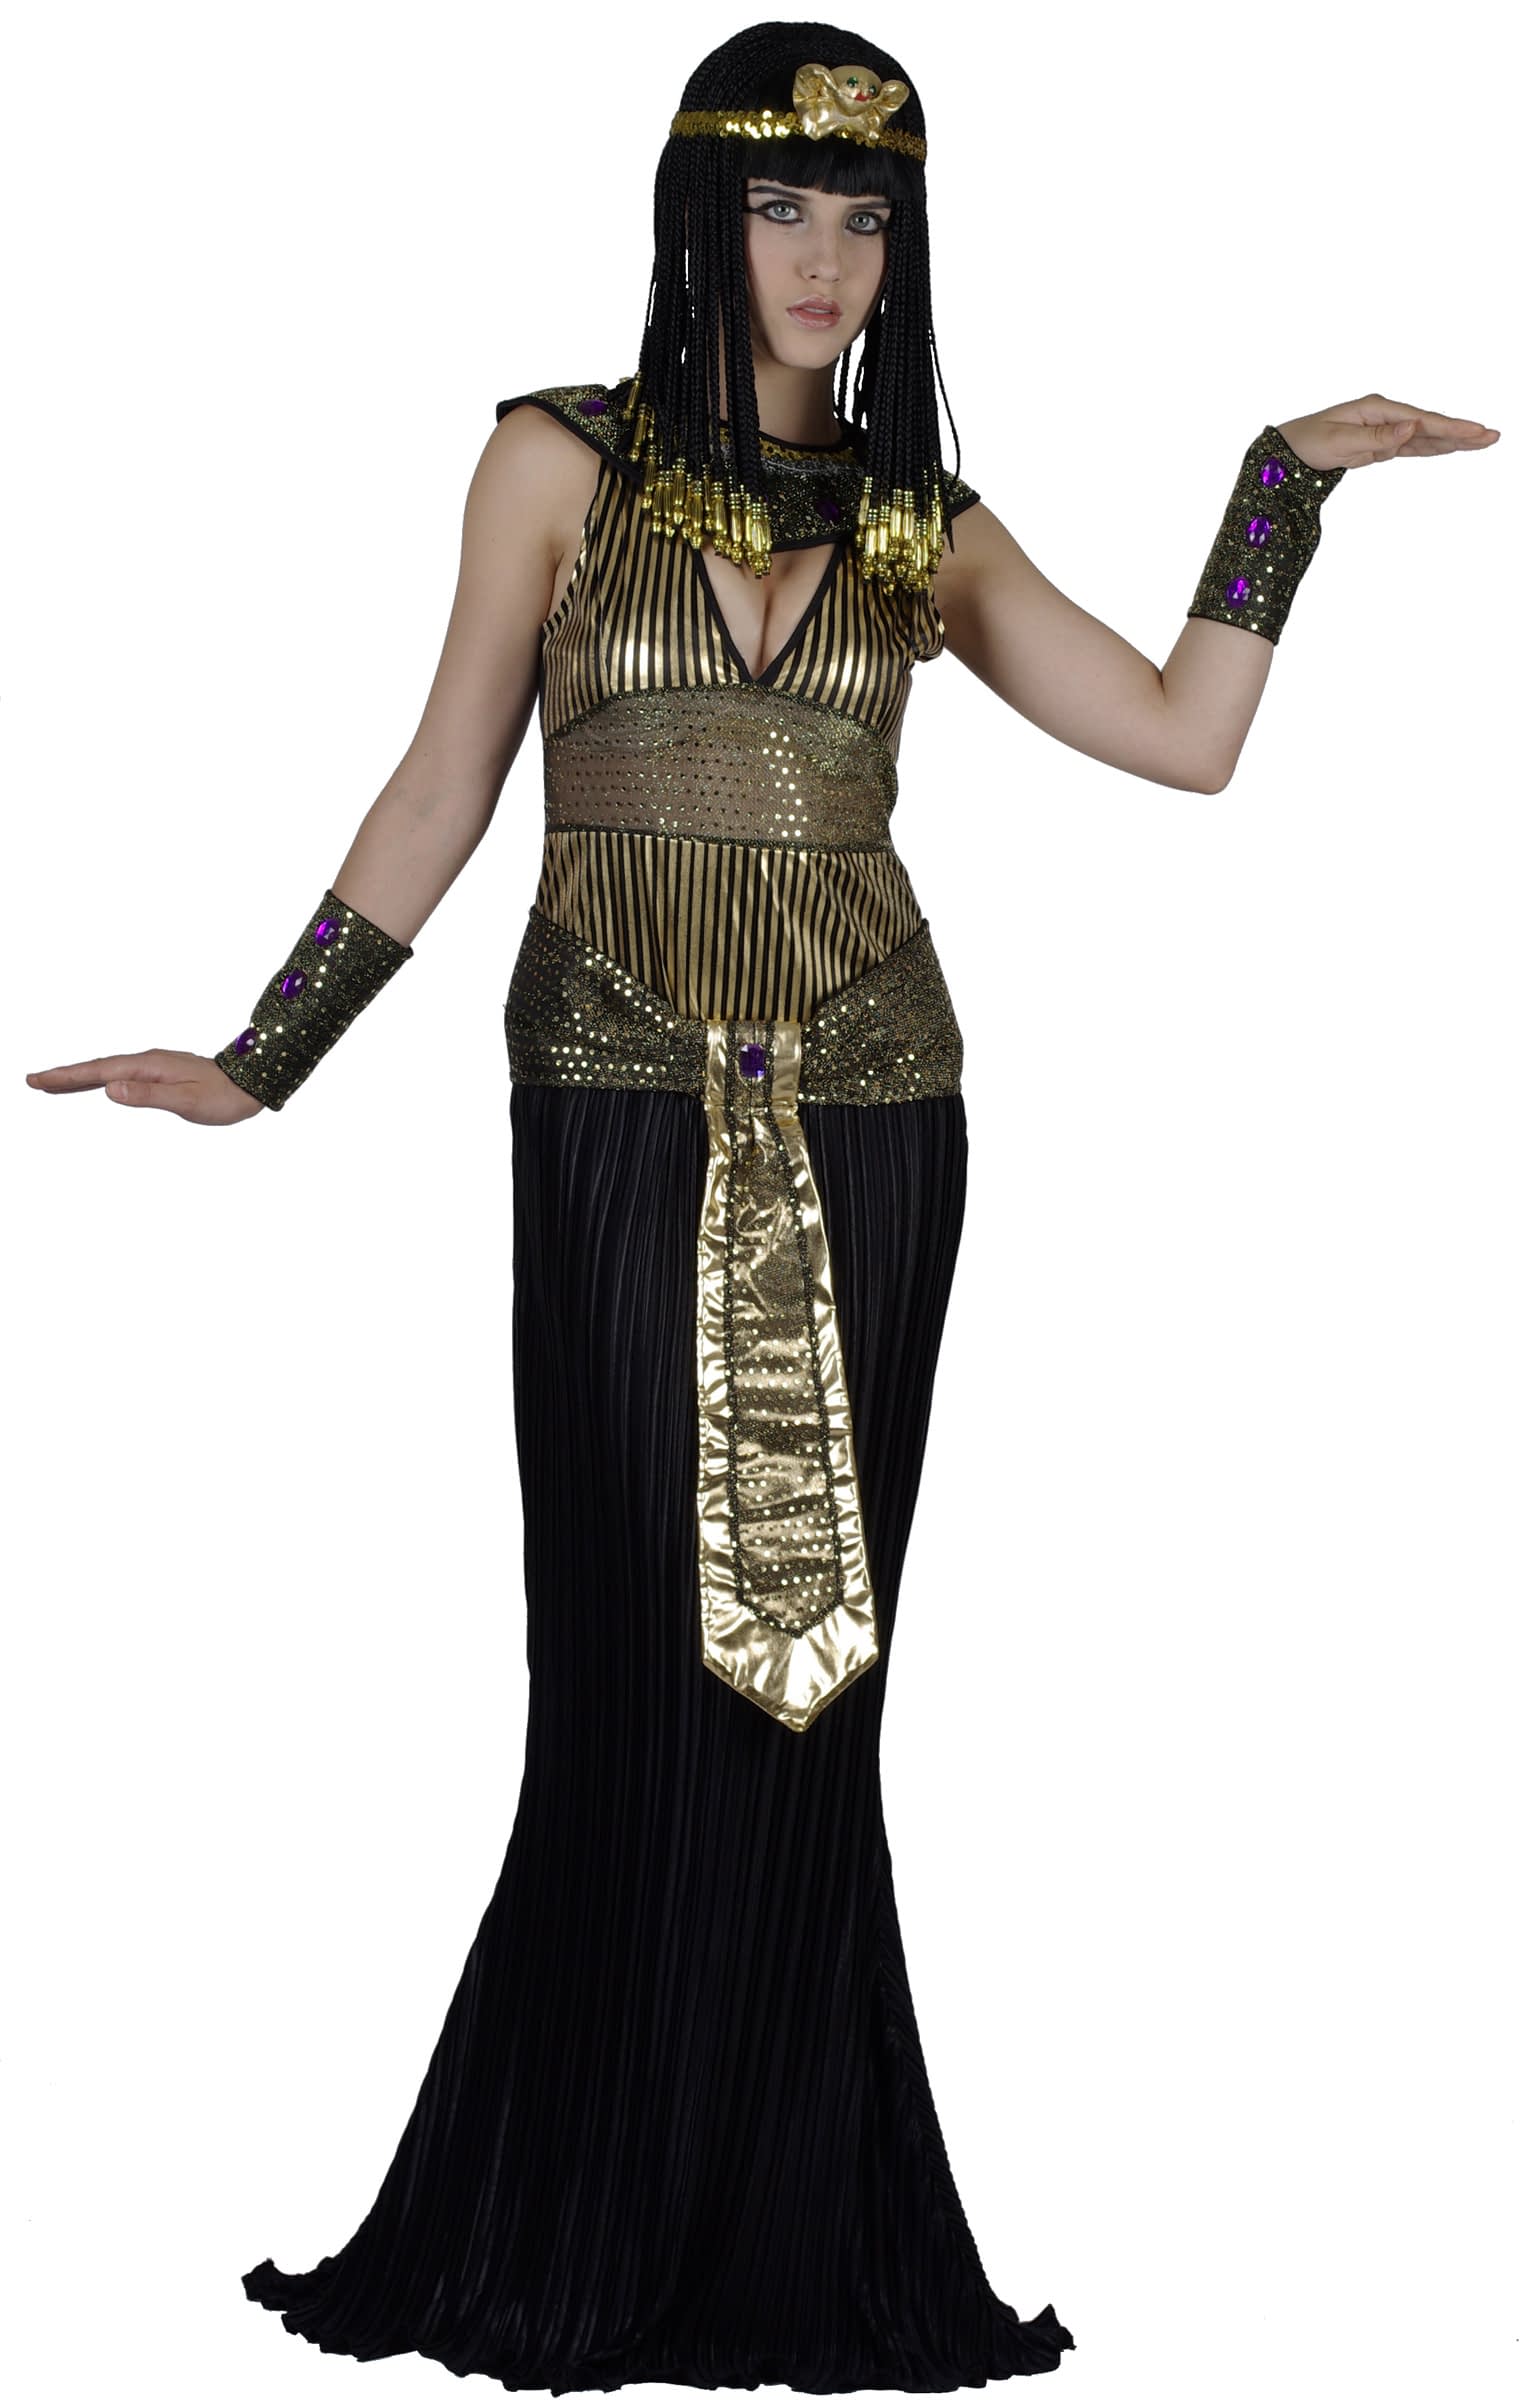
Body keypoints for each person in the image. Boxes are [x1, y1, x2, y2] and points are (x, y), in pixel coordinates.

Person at [23, 16, 1498, 2393]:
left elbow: (1183, 738)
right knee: (634, 1650)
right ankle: (572, 2223)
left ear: (905, 251)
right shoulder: (551, 459)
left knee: (815, 1691)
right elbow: (443, 785)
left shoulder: (922, 524)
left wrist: (1277, 490)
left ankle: (798, 2238)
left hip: (876, 1114)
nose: (825, 257)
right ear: (700, 220)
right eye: (781, 205)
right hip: (611, 1099)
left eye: (866, 215)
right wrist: (266, 1055)